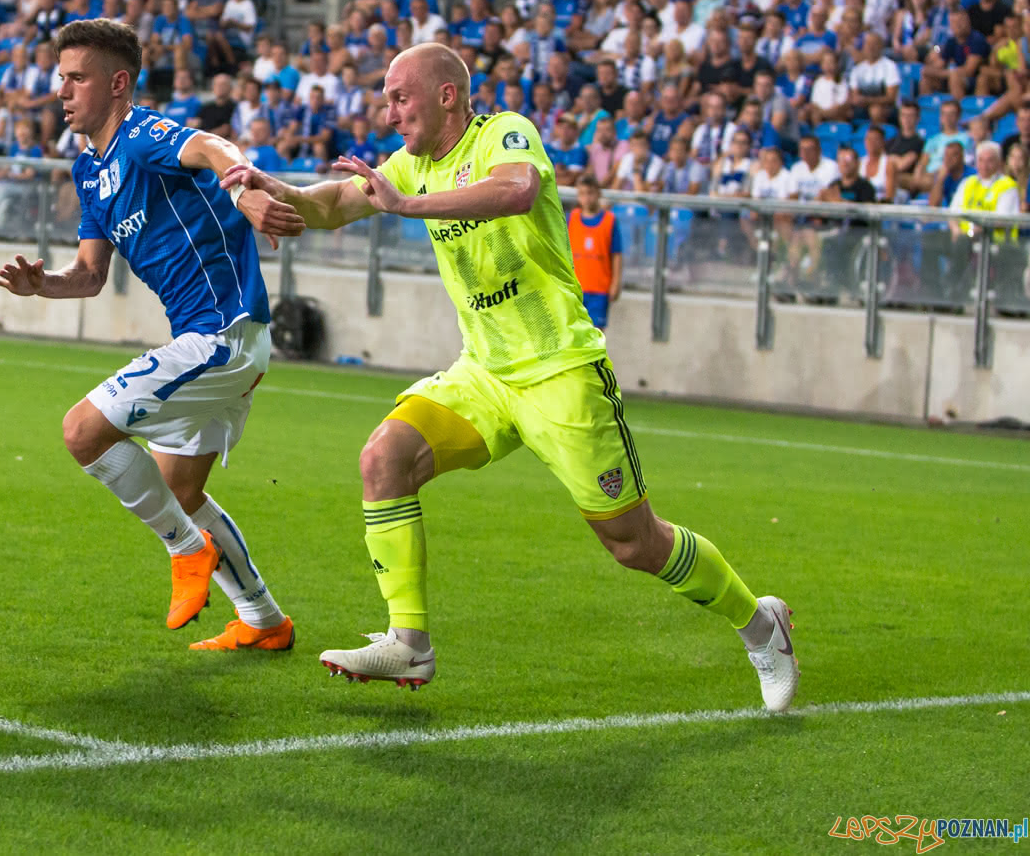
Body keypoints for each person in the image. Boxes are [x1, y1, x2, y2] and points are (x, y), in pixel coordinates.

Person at [221, 43, 797, 709]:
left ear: (446, 96)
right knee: (384, 455)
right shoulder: (409, 165)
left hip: (561, 370)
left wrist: (405, 206)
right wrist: (275, 189)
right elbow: (335, 203)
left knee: (633, 542)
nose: (390, 110)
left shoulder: (504, 132)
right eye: (385, 97)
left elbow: (516, 189)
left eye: (400, 96)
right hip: (485, 374)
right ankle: (410, 641)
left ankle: (761, 623)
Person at [0, 19, 304, 652]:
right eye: (61, 77)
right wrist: (40, 285)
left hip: (222, 333)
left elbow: (213, 147)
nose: (63, 91)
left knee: (83, 430)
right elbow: (88, 276)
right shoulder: (90, 170)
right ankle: (265, 621)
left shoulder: (143, 135)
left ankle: (187, 551)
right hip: (212, 340)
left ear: (118, 83)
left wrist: (243, 191)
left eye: (77, 78)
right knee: (181, 489)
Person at [568, 174, 622, 330]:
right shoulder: (572, 218)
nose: (586, 198)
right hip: (577, 288)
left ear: (598, 194)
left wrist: (615, 283)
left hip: (599, 288)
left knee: (597, 334)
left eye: (590, 193)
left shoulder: (609, 220)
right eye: (582, 193)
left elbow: (616, 254)